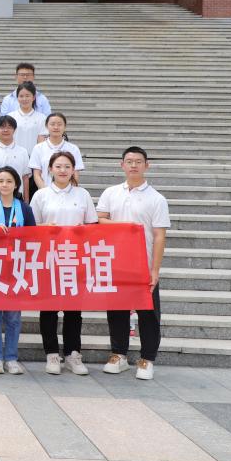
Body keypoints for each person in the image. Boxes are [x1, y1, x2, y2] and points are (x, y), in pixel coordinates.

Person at [97, 146, 171, 381]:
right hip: (116, 263)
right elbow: (99, 219)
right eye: (129, 161)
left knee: (148, 313)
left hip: (143, 264)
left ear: (146, 165)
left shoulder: (156, 199)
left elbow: (159, 236)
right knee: (116, 311)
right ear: (122, 165)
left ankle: (147, 358)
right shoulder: (111, 193)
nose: (133, 165)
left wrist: (155, 269)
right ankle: (118, 354)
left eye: (138, 161)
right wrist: (124, 227)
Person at [30, 151, 97, 376]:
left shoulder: (82, 194)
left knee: (73, 311)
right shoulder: (41, 195)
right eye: (58, 166)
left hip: (75, 259)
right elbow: (31, 227)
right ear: (50, 169)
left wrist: (82, 230)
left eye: (67, 166)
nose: (62, 170)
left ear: (73, 170)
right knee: (48, 309)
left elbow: (93, 225)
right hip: (49, 258)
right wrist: (46, 228)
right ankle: (51, 354)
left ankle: (72, 354)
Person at [0, 166, 36, 375]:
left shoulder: (25, 208)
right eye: (1, 181)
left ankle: (11, 357)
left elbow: (34, 236)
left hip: (16, 267)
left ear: (16, 184)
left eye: (9, 181)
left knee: (13, 316)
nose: (5, 185)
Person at [30, 112, 85, 190]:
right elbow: (37, 175)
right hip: (45, 192)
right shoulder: (38, 148)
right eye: (52, 124)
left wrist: (67, 191)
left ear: (65, 126)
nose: (56, 127)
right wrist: (45, 192)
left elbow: (75, 174)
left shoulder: (73, 149)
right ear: (46, 126)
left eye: (59, 124)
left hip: (68, 193)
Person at [7, 81, 48, 155]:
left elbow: (41, 143)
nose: (24, 99)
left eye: (27, 96)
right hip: (13, 156)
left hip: (33, 157)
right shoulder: (10, 117)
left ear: (33, 97)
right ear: (17, 98)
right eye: (21, 96)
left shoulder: (42, 118)